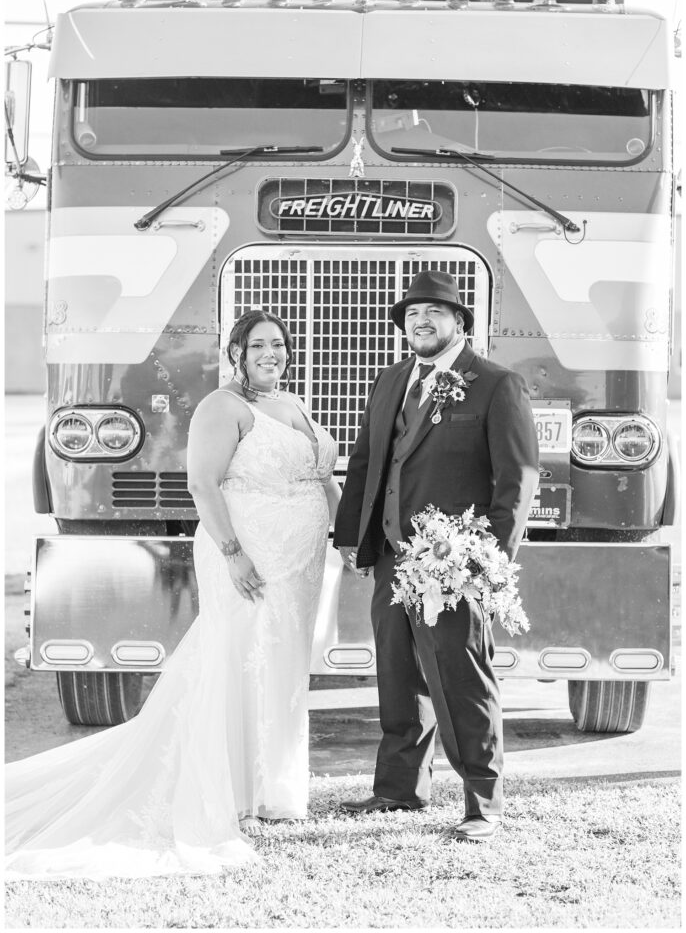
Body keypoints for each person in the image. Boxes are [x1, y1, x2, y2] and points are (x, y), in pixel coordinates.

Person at [5, 309, 340, 879]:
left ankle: (273, 789)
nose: (271, 354)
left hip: (299, 566)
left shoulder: (294, 404)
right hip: (247, 557)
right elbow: (201, 485)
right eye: (258, 345)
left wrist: (345, 539)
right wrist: (234, 554)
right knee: (233, 660)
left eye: (279, 346)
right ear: (236, 352)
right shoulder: (221, 408)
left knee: (281, 666)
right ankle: (228, 787)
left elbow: (320, 479)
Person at [334, 270, 538, 842]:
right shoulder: (393, 378)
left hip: (455, 563)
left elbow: (517, 478)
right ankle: (400, 789)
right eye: (412, 313)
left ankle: (483, 803)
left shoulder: (496, 385)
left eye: (435, 312)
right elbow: (368, 459)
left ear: (459, 322)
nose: (420, 321)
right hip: (394, 557)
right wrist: (354, 536)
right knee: (397, 675)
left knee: (460, 679)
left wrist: (486, 561)